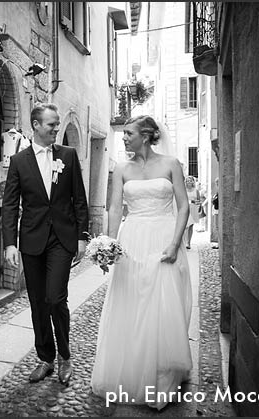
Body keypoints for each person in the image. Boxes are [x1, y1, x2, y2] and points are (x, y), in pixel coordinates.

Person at [91, 115, 192, 411]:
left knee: (162, 303)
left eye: (128, 133)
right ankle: (131, 370)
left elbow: (184, 206)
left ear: (146, 136)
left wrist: (175, 243)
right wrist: (108, 244)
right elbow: (113, 207)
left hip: (163, 236)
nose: (123, 138)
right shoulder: (121, 168)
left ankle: (161, 375)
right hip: (132, 237)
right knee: (132, 301)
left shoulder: (171, 164)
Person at [1, 103, 89, 386]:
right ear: (36, 125)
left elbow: (79, 199)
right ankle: (45, 359)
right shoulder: (19, 161)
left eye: (57, 123)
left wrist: (81, 237)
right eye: (51, 124)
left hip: (62, 240)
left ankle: (65, 356)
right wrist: (9, 244)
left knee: (55, 298)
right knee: (38, 303)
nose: (55, 128)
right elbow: (10, 205)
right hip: (32, 240)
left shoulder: (69, 156)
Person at [184, 175, 202, 248]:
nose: (189, 182)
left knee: (191, 226)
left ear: (193, 182)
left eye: (190, 180)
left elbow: (199, 201)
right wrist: (191, 201)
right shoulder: (184, 190)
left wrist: (197, 202)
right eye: (187, 181)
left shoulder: (196, 190)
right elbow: (182, 200)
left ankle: (188, 243)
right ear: (185, 182)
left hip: (193, 208)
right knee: (185, 226)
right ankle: (184, 242)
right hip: (186, 208)